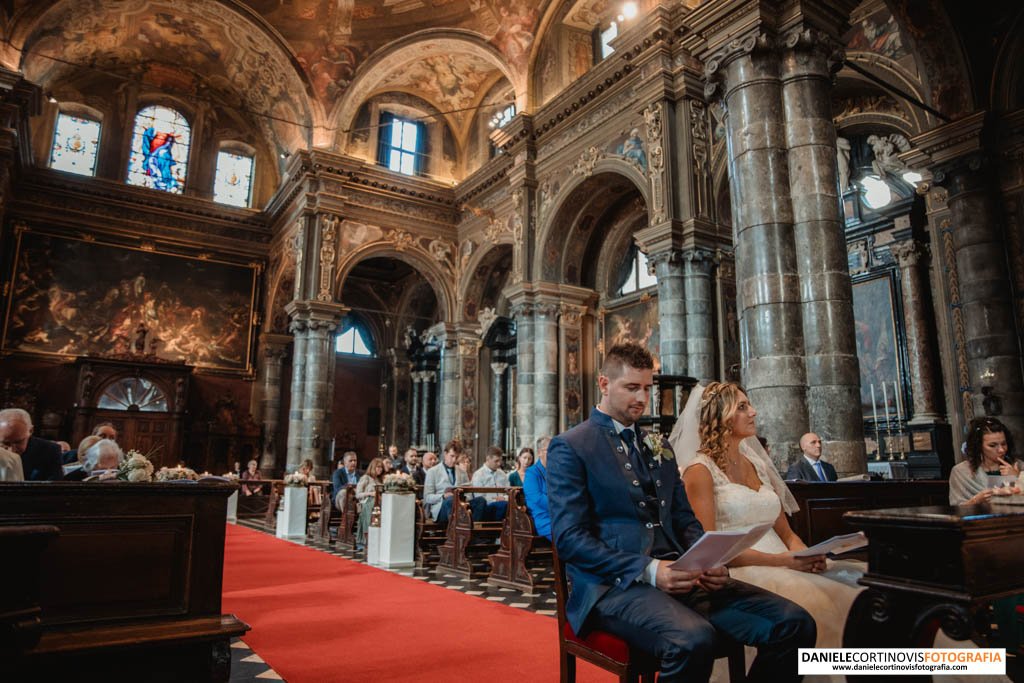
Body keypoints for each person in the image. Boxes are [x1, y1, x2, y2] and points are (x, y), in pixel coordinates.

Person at [548, 344, 815, 682]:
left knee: (794, 623)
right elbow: (570, 540)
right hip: (613, 588)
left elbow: (685, 520)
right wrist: (650, 570)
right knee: (692, 639)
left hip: (684, 577)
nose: (642, 398)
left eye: (647, 388)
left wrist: (708, 561)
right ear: (604, 383)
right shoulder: (572, 446)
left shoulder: (658, 445)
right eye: (632, 387)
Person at [673, 381, 863, 654]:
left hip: (785, 562)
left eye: (749, 404)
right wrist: (783, 562)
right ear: (720, 416)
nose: (754, 412)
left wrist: (806, 555)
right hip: (742, 571)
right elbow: (711, 550)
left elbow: (787, 534)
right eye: (742, 407)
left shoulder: (758, 465)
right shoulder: (700, 470)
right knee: (825, 602)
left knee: (860, 588)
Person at [949, 417, 1022, 505]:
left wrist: (1018, 477)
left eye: (1003, 444)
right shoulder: (961, 471)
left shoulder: (1018, 465)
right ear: (979, 446)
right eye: (992, 445)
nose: (1001, 450)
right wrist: (976, 501)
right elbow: (956, 509)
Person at [423, 440, 485, 525]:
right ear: (445, 454)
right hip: (442, 507)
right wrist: (443, 496)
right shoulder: (433, 472)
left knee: (481, 501)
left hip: (461, 504)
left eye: (456, 457)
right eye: (451, 456)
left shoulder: (462, 472)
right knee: (451, 500)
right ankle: (456, 533)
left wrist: (464, 498)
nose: (454, 460)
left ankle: (471, 531)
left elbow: (469, 493)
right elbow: (427, 498)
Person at [0, 408, 63, 481]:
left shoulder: (50, 451)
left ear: (30, 431)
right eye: (6, 443)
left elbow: (54, 488)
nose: (12, 450)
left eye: (18, 442)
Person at [523, 436, 551, 539]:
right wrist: (560, 506)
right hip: (543, 518)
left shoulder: (557, 471)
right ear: (539, 452)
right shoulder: (532, 473)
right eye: (549, 450)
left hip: (562, 515)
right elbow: (538, 498)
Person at [471, 446, 509, 521]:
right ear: (488, 459)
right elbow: (479, 498)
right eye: (496, 461)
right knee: (504, 505)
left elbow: (508, 491)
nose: (499, 464)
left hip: (503, 504)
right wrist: (496, 500)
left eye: (500, 461)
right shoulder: (478, 475)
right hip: (487, 508)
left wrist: (504, 498)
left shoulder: (502, 474)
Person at [355, 457, 385, 549]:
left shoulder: (380, 480)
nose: (380, 469)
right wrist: (370, 493)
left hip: (378, 502)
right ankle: (367, 537)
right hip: (366, 502)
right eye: (378, 467)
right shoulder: (366, 478)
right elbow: (358, 494)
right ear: (372, 467)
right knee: (372, 506)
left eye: (381, 467)